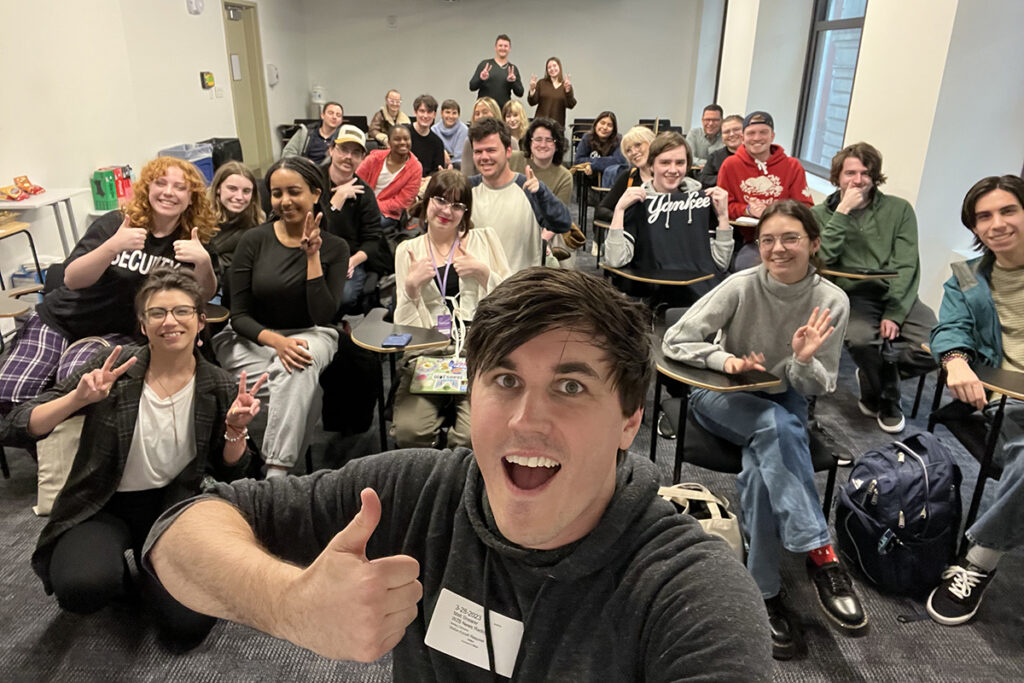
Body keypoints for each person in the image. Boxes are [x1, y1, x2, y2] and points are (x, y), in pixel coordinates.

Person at [145, 266, 772, 679]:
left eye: (571, 386)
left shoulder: (693, 593)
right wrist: (290, 605)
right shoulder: (413, 494)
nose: (528, 420)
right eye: (505, 381)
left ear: (630, 420)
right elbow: (175, 534)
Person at [0, 268, 261, 642]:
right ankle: (124, 576)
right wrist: (78, 399)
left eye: (182, 311)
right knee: (81, 589)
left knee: (186, 626)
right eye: (157, 313)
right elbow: (16, 425)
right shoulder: (111, 369)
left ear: (201, 321)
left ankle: (153, 568)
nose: (170, 321)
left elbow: (237, 474)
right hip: (105, 501)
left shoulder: (218, 385)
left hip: (175, 506)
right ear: (142, 323)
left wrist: (235, 431)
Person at [663, 200, 866, 660]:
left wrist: (803, 359)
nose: (777, 249)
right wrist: (725, 360)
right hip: (723, 393)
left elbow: (821, 386)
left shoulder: (831, 300)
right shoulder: (741, 285)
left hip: (787, 397)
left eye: (791, 238)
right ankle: (820, 553)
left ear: (814, 244)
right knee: (777, 428)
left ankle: (765, 593)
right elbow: (676, 339)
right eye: (768, 239)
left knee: (761, 468)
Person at [0, 157, 218, 411]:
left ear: (191, 198)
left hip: (118, 333)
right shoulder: (117, 223)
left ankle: (58, 446)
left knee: (76, 388)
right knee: (10, 396)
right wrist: (112, 246)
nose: (168, 192)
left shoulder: (193, 240)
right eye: (160, 183)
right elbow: (71, 279)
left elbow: (204, 295)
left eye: (180, 187)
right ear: (148, 188)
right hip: (62, 318)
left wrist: (203, 262)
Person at [927, 175, 1024, 628]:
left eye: (1008, 211)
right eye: (984, 216)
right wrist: (956, 361)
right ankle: (980, 560)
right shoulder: (967, 277)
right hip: (1007, 402)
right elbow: (951, 329)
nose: (996, 223)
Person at [212, 157, 349, 478]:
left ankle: (272, 472)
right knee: (304, 390)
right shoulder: (253, 241)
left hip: (313, 334)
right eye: (276, 193)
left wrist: (312, 256)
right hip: (251, 336)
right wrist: (278, 343)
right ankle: (285, 477)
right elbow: (239, 315)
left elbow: (323, 314)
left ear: (316, 194)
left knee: (297, 365)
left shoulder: (335, 248)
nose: (284, 201)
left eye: (294, 192)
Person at [811, 142, 937, 433]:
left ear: (875, 176)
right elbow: (822, 259)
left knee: (939, 346)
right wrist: (842, 211)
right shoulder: (820, 214)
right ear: (837, 177)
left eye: (865, 173)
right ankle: (888, 397)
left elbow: (907, 265)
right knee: (861, 341)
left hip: (897, 292)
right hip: (854, 295)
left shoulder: (899, 209)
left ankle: (875, 381)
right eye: (850, 173)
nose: (857, 180)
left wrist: (894, 311)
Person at [392, 171, 510, 448]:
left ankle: (455, 482)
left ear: (465, 211)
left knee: (473, 437)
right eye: (440, 200)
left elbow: (511, 300)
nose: (447, 211)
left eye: (457, 205)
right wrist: (411, 287)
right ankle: (430, 480)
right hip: (429, 349)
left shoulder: (485, 240)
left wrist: (484, 274)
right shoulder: (408, 250)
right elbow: (404, 324)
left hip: (476, 350)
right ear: (427, 201)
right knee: (411, 433)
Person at [605, 132, 733, 303]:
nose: (673, 170)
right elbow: (615, 260)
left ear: (688, 165)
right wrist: (620, 210)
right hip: (649, 292)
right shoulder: (638, 203)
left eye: (680, 163)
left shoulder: (701, 204)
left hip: (699, 297)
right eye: (665, 162)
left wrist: (723, 217)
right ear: (651, 166)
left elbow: (720, 264)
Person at [467, 117, 571, 273]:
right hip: (480, 289)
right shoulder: (468, 188)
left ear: (508, 151)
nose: (484, 157)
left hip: (520, 289)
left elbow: (563, 223)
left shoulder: (530, 189)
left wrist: (542, 195)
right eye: (478, 151)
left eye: (491, 150)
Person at [717, 111, 814, 270]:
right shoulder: (730, 165)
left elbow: (805, 207)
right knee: (749, 268)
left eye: (763, 132)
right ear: (743, 138)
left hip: (788, 238)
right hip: (749, 240)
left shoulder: (792, 166)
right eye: (751, 133)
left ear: (772, 136)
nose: (757, 138)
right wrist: (748, 210)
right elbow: (722, 206)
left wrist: (772, 212)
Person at [319, 125, 384, 309]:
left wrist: (351, 262)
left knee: (343, 295)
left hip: (348, 258)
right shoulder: (312, 183)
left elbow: (373, 240)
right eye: (344, 149)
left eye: (356, 153)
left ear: (362, 159)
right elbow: (311, 230)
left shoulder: (365, 194)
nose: (349, 157)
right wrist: (336, 203)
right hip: (312, 255)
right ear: (331, 150)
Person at [356, 125, 423, 229]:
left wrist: (371, 206)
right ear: (389, 142)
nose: (402, 142)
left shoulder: (416, 168)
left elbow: (401, 203)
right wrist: (363, 205)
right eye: (397, 139)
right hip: (361, 205)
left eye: (406, 139)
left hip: (389, 214)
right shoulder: (373, 158)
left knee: (369, 223)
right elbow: (356, 182)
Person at [208, 161, 264, 282]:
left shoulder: (256, 222)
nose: (239, 197)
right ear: (218, 188)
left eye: (246, 191)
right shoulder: (200, 215)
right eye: (232, 189)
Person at [596, 125, 657, 223]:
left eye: (638, 145)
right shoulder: (628, 177)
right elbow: (601, 210)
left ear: (651, 143)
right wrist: (624, 216)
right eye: (628, 150)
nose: (633, 152)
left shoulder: (668, 175)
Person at [460, 97, 516, 178]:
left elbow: (515, 172)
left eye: (485, 112)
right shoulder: (469, 142)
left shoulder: (512, 141)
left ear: (495, 113)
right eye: (477, 113)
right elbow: (466, 176)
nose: (480, 116)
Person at [468, 33, 523, 110]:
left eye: (505, 46)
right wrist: (481, 78)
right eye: (500, 45)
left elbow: (520, 93)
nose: (503, 48)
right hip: (485, 110)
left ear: (509, 48)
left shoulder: (512, 69)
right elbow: (472, 87)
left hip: (503, 111)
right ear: (495, 47)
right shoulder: (485, 65)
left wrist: (513, 82)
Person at [573, 111, 627, 189]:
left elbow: (618, 160)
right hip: (590, 176)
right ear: (596, 124)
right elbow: (578, 160)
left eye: (609, 125)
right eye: (602, 123)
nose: (605, 127)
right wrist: (603, 162)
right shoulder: (587, 138)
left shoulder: (619, 140)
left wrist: (593, 165)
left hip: (612, 180)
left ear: (613, 129)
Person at [527, 56, 576, 127]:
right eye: (549, 67)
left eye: (554, 66)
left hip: (557, 126)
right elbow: (532, 102)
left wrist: (568, 91)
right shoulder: (541, 83)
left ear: (559, 67)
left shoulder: (565, 85)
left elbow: (571, 105)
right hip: (540, 125)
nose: (552, 69)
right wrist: (532, 90)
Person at [698, 114, 743, 188]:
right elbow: (704, 180)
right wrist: (727, 178)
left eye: (736, 130)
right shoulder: (714, 157)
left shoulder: (756, 155)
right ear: (722, 137)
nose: (731, 134)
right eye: (726, 132)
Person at [410, 94, 447, 177]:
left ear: (434, 115)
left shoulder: (437, 143)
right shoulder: (404, 134)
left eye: (429, 112)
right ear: (415, 112)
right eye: (422, 111)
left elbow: (436, 171)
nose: (425, 116)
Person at [431, 99, 469, 169]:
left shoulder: (464, 130)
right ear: (442, 113)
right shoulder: (433, 130)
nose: (451, 116)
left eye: (454, 113)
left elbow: (459, 157)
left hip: (457, 167)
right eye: (447, 112)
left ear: (458, 115)